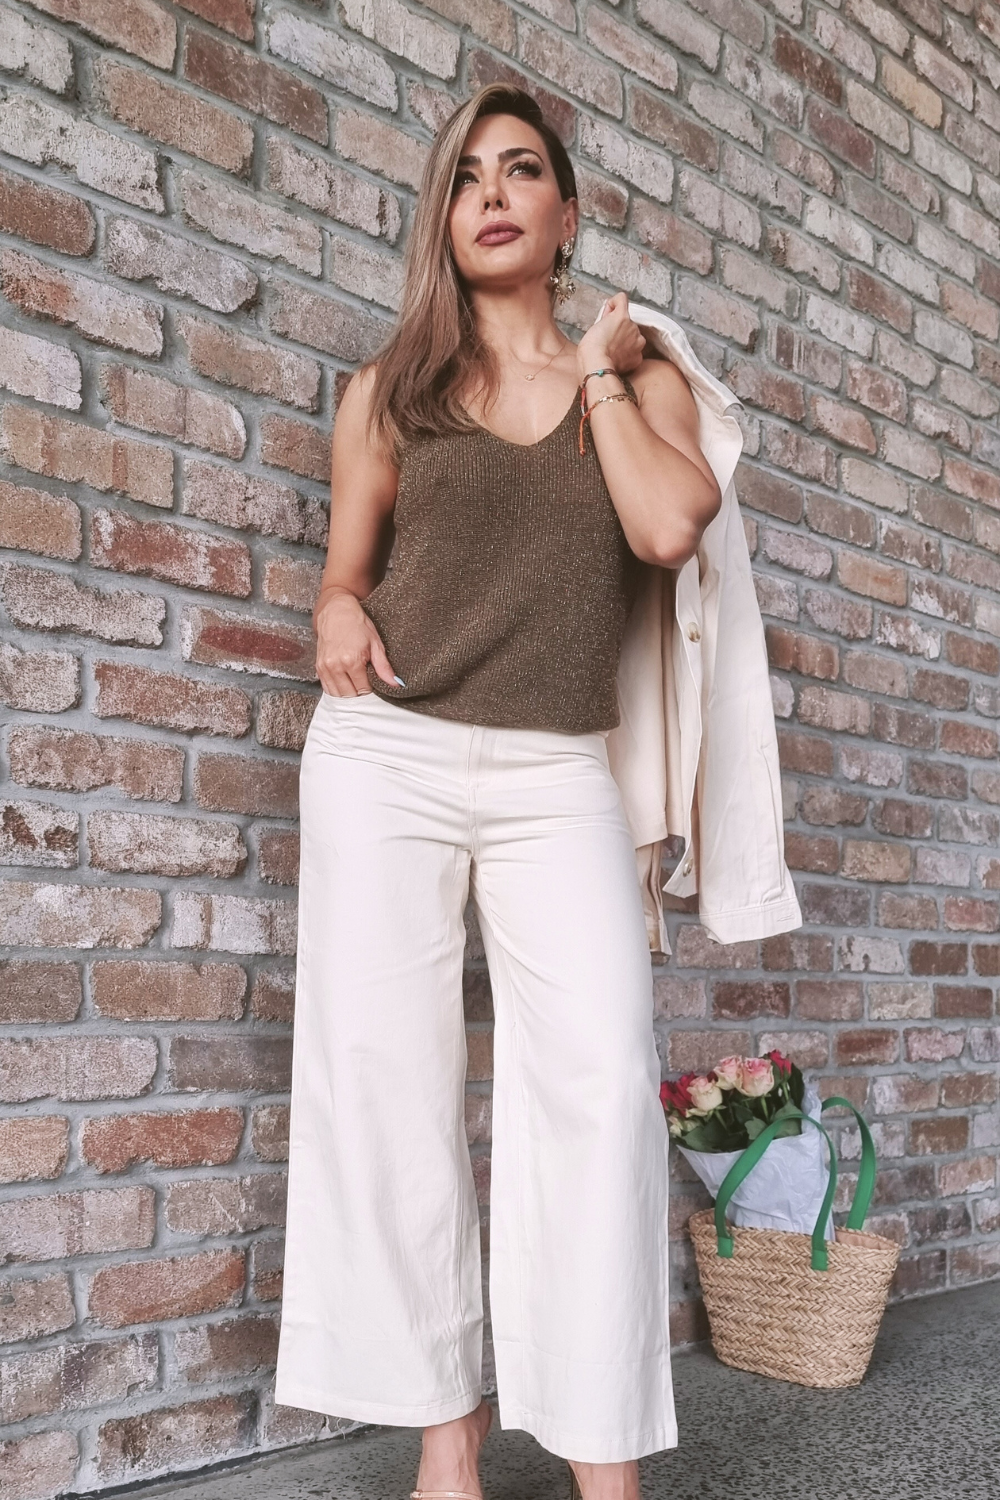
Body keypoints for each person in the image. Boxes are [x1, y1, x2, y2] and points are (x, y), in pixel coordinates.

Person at [273, 82, 722, 1500]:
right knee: (387, 1087)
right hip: (387, 754)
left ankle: (605, 1464)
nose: (493, 194)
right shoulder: (388, 390)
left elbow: (665, 524)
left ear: (566, 213)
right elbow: (346, 573)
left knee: (594, 1086)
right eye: (468, 176)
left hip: (552, 770)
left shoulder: (637, 379)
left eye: (522, 170)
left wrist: (596, 371)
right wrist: (336, 612)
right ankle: (446, 1448)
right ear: (444, 214)